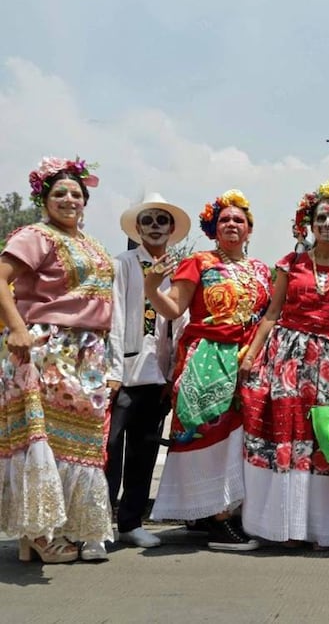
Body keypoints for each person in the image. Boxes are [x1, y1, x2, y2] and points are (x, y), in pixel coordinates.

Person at [239, 181, 329, 549]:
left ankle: (322, 529)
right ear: (310, 225)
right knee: (288, 440)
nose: (327, 224)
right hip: (289, 362)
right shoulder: (290, 264)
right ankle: (283, 527)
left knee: (326, 442)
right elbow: (271, 315)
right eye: (321, 218)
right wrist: (251, 355)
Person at [0, 156, 114, 563]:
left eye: (77, 194)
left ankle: (64, 527)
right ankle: (38, 533)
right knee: (44, 439)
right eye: (59, 193)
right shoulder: (36, 235)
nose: (69, 199)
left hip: (88, 354)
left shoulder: (90, 244)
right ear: (44, 199)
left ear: (86, 202)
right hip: (50, 347)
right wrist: (16, 328)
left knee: (77, 445)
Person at [145, 189, 272, 551]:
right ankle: (214, 517)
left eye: (239, 220)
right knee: (208, 435)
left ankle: (221, 511)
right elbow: (172, 309)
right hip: (207, 357)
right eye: (224, 220)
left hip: (248, 359)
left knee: (240, 438)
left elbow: (268, 318)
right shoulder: (198, 262)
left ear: (249, 229)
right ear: (213, 229)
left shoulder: (261, 270)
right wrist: (153, 286)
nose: (232, 224)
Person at [106, 192, 191, 549]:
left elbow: (181, 319)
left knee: (144, 453)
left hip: (159, 375)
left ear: (171, 228)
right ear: (137, 229)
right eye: (148, 221)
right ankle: (100, 520)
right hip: (124, 372)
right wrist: (111, 369)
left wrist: (177, 372)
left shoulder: (179, 268)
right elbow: (113, 316)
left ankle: (130, 521)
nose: (155, 228)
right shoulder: (123, 264)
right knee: (109, 452)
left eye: (161, 221)